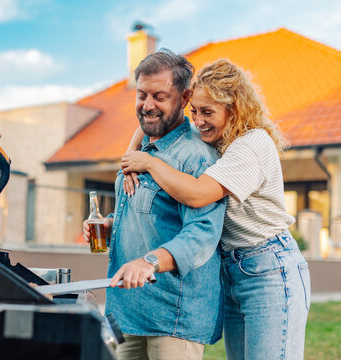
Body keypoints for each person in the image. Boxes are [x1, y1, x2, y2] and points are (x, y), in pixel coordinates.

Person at [120, 59, 310, 360]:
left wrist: (149, 163)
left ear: (233, 110)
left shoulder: (251, 145)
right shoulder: (214, 139)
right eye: (194, 110)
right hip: (229, 271)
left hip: (268, 269)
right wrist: (132, 153)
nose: (198, 120)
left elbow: (198, 195)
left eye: (207, 112)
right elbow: (149, 128)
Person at [83, 49, 227, 360]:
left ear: (184, 97)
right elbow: (150, 214)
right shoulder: (143, 150)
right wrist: (112, 225)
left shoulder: (196, 156)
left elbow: (201, 235)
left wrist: (147, 261)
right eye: (142, 95)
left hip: (172, 315)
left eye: (159, 96)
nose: (148, 106)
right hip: (128, 309)